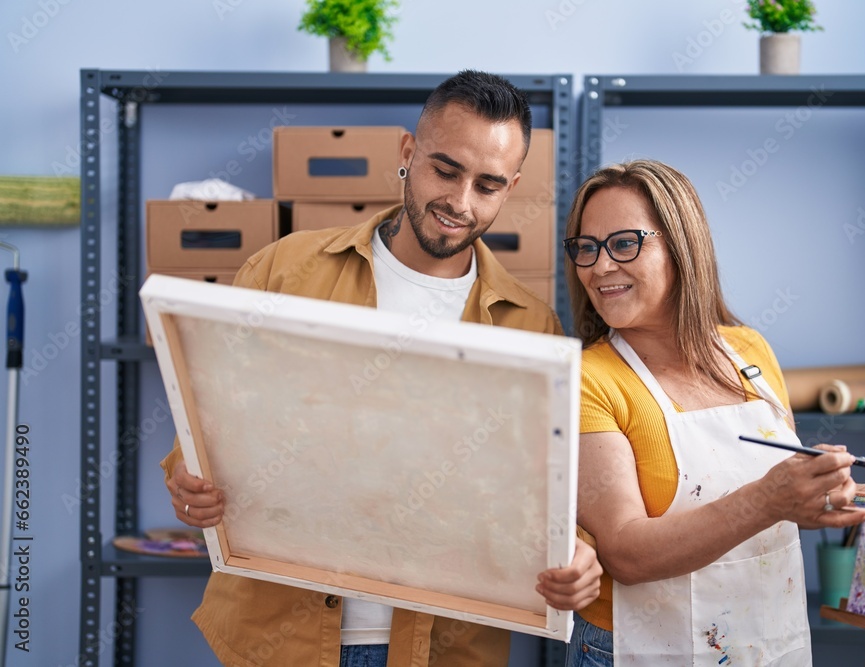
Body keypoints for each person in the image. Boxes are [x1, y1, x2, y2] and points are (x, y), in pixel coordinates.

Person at [160, 70, 602, 667]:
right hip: (276, 636)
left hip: (441, 648)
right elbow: (206, 429)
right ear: (407, 152)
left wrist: (576, 556)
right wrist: (188, 479)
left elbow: (536, 501)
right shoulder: (284, 272)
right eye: (445, 171)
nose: (459, 203)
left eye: (488, 186)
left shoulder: (531, 328)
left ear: (511, 187)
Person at [561, 159, 865, 666]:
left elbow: (782, 499)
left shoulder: (748, 349)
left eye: (623, 243)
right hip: (642, 649)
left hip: (766, 639)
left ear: (681, 246)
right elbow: (625, 553)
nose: (599, 267)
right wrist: (769, 500)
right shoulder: (587, 379)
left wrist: (859, 497)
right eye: (586, 248)